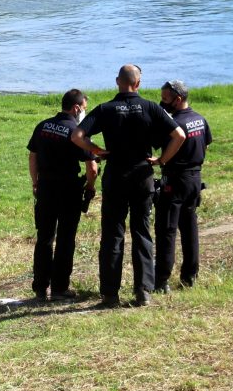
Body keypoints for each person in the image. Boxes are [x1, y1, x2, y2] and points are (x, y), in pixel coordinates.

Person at [72, 64, 185, 308]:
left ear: (117, 81)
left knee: (113, 234)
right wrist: (163, 159)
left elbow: (77, 136)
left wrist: (97, 150)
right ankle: (143, 291)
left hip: (115, 176)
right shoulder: (150, 107)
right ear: (138, 84)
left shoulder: (105, 109)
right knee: (141, 232)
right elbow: (179, 135)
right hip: (142, 175)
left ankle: (110, 295)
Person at [28, 89, 98, 302]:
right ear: (76, 108)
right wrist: (90, 186)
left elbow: (33, 157)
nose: (83, 113)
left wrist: (35, 183)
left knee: (44, 238)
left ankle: (40, 288)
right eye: (83, 109)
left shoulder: (43, 125)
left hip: (46, 187)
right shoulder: (77, 132)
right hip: (69, 189)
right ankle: (60, 288)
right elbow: (92, 168)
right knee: (66, 238)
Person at [154, 80, 213, 292]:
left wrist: (161, 160)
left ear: (177, 99)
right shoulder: (199, 119)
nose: (161, 102)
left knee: (167, 230)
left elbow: (164, 147)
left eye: (165, 98)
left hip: (174, 180)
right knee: (189, 229)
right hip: (195, 179)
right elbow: (205, 144)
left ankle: (161, 281)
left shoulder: (171, 124)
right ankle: (189, 277)